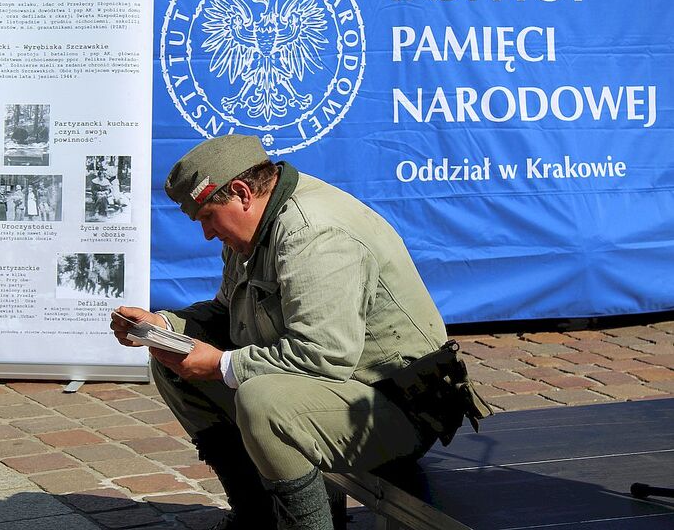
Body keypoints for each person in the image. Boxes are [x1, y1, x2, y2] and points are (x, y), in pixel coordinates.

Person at [111, 134, 484, 529]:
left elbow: (322, 355)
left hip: (395, 407)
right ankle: (258, 518)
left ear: (241, 193)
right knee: (174, 364)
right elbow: (225, 313)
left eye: (207, 216)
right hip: (343, 390)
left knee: (264, 402)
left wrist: (221, 363)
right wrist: (164, 328)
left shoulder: (313, 234)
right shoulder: (253, 228)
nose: (206, 233)